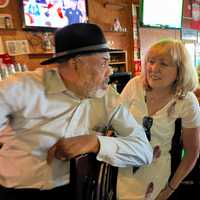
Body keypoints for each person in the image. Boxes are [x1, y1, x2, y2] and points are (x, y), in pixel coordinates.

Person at [0, 23, 153, 199]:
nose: (109, 71)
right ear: (75, 64)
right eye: (104, 62)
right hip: (17, 190)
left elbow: (144, 151)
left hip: (77, 190)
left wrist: (95, 143)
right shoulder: (22, 88)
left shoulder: (106, 97)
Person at [117, 39, 200, 200]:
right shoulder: (134, 85)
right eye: (151, 61)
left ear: (180, 70)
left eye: (163, 64)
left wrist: (169, 190)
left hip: (158, 173)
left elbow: (192, 152)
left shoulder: (186, 101)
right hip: (123, 169)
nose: (154, 69)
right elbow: (113, 123)